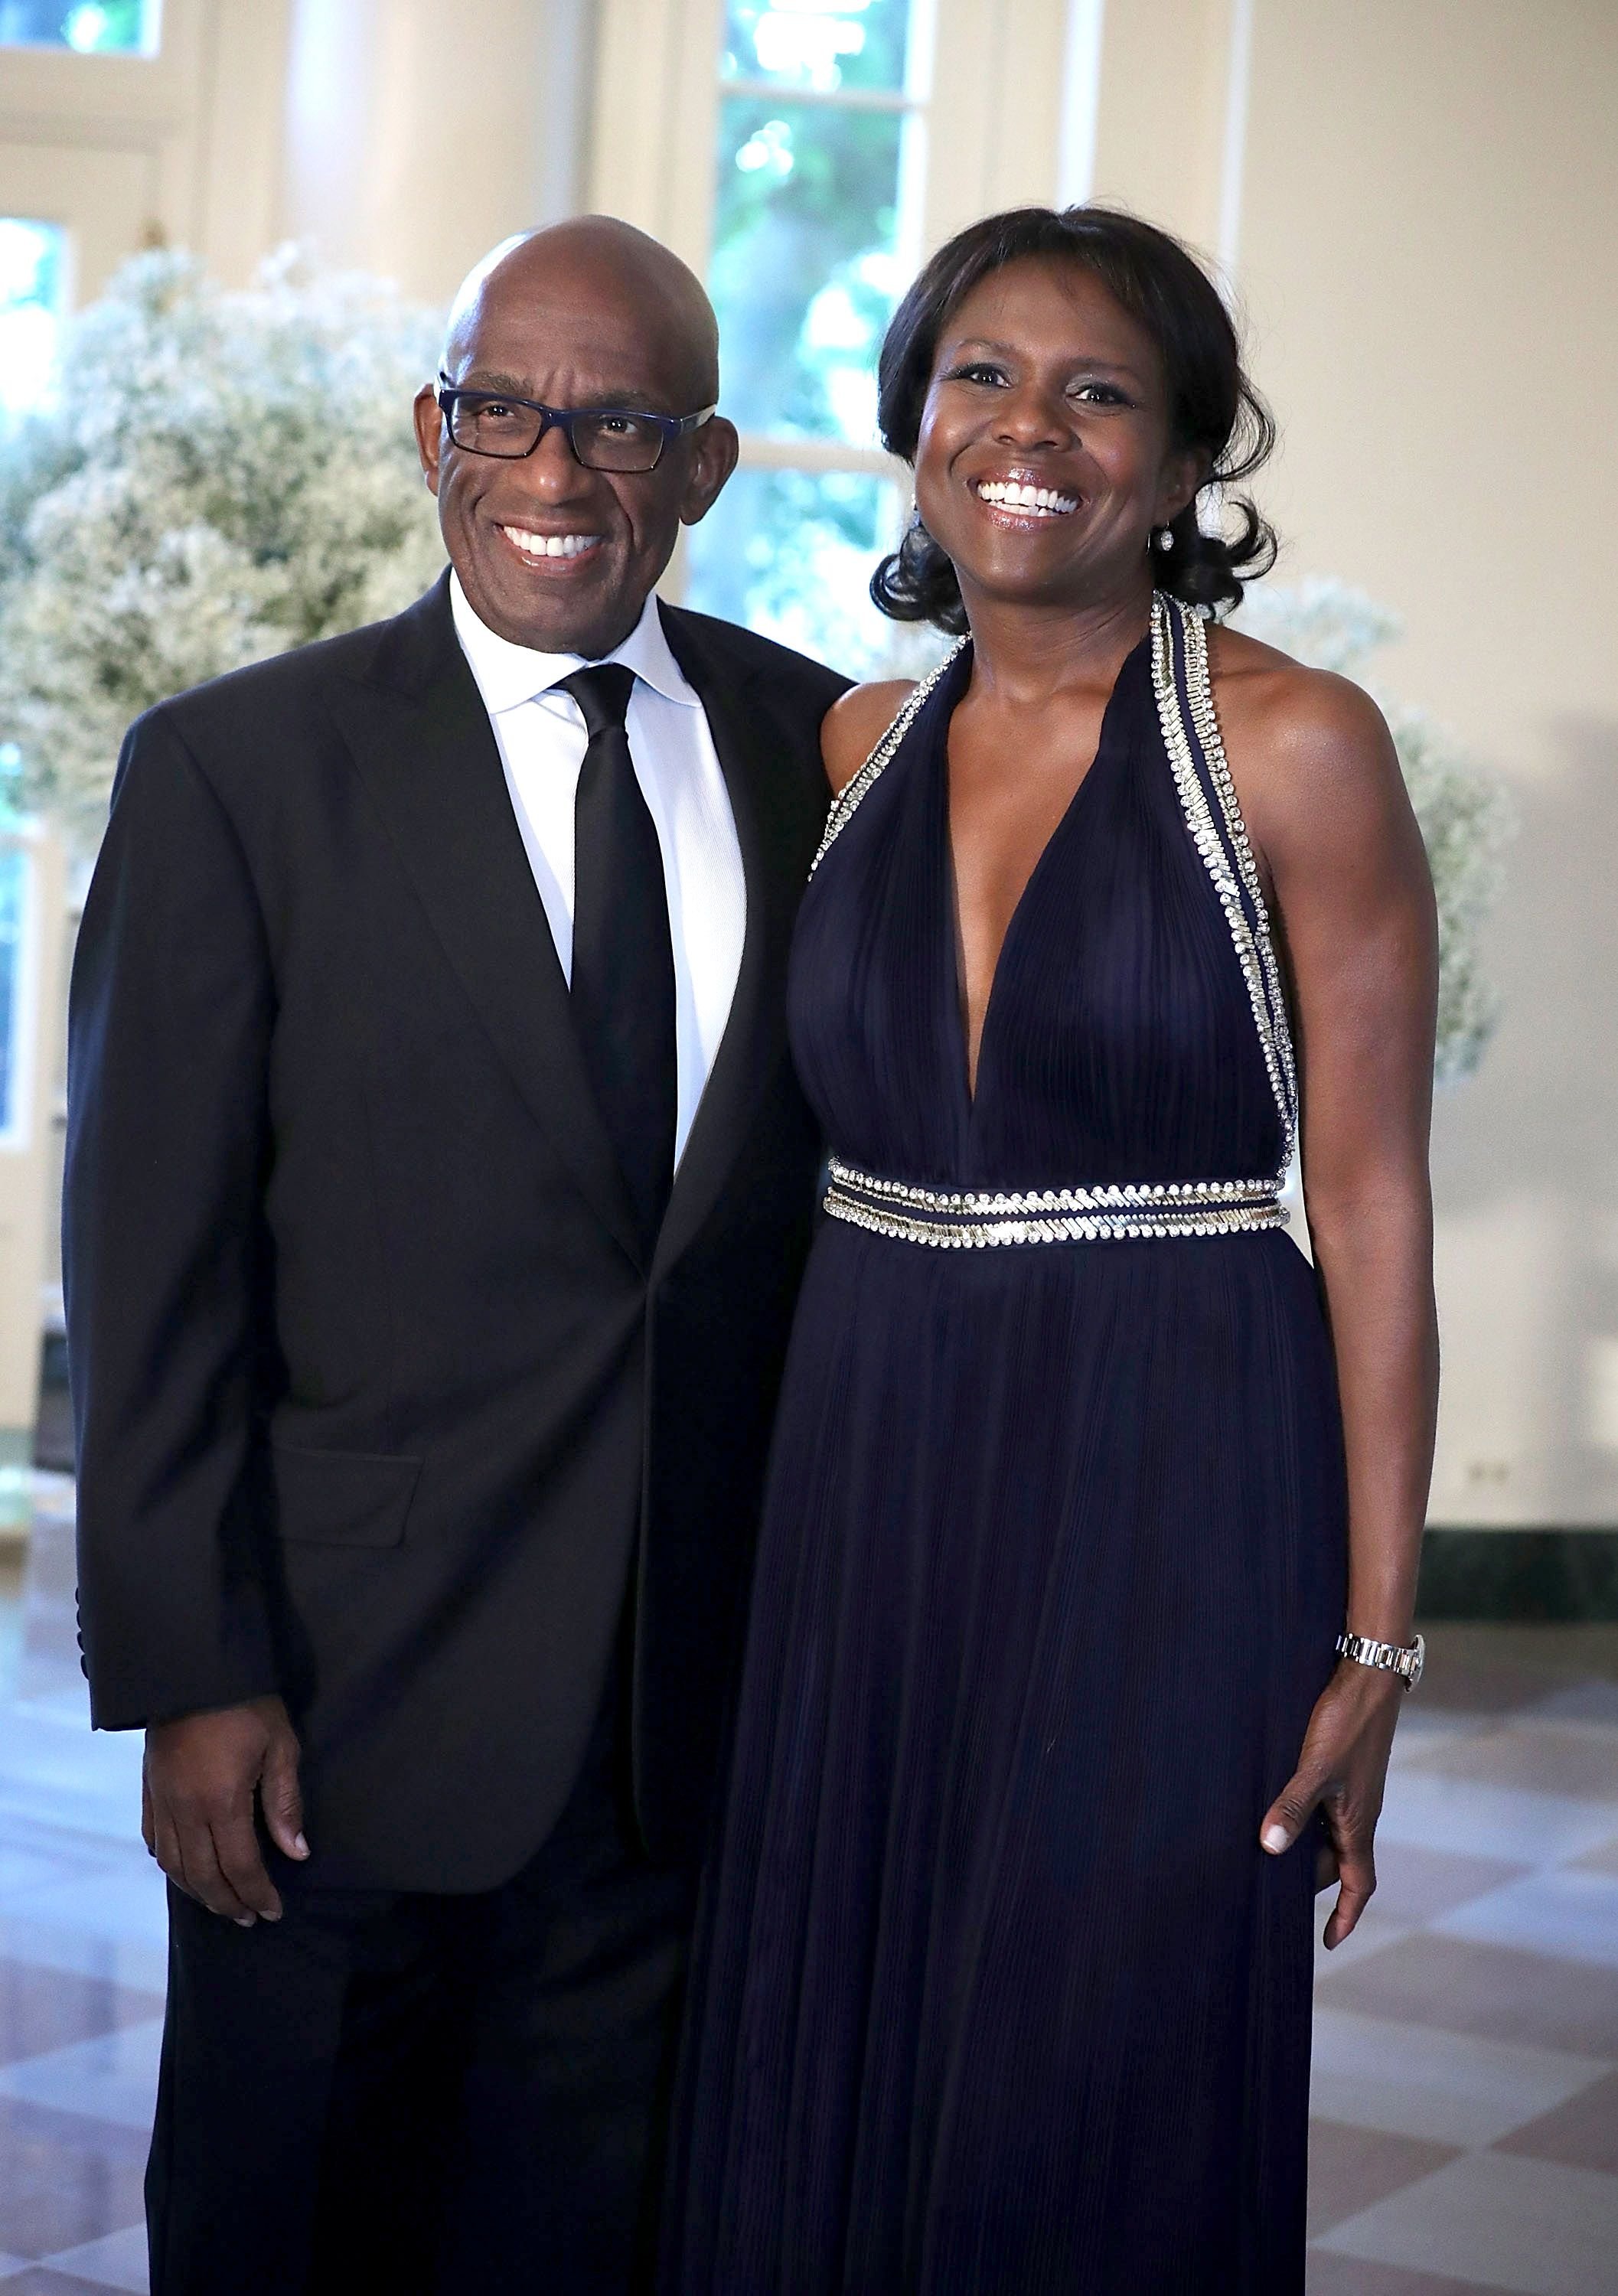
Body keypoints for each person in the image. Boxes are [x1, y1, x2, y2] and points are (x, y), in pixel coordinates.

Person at [64, 216, 847, 2295]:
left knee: (589, 2248)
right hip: (336, 1714)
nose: (551, 469)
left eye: (616, 424)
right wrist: (194, 1676)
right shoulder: (239, 773)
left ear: (702, 467)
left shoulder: (825, 755)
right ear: (433, 432)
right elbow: (150, 1277)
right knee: (282, 2233)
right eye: (501, 408)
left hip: (679, 1731)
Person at [661, 204, 1438, 2294]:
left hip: (1175, 1474)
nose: (1030, 428)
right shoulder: (855, 752)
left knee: (1094, 2039)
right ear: (912, 421)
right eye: (982, 378)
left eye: (1099, 391)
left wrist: (1374, 1641)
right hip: (868, 1470)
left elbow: (1367, 1200)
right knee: (852, 2005)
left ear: (1188, 462)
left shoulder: (1294, 746)